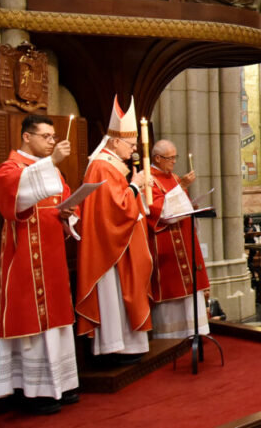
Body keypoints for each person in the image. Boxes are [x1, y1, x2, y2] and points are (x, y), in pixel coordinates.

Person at [0, 115, 79, 414]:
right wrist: (52, 162)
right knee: (33, 323)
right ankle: (34, 391)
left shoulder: (51, 170)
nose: (52, 141)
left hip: (53, 258)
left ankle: (62, 385)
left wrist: (70, 214)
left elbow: (66, 199)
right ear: (27, 137)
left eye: (54, 136)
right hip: (27, 262)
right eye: (46, 136)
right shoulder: (10, 169)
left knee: (57, 321)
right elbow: (12, 199)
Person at [76, 96, 153, 362]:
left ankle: (126, 345)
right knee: (114, 297)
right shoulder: (101, 166)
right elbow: (115, 209)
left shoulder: (111, 165)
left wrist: (134, 187)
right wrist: (135, 185)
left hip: (120, 243)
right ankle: (114, 347)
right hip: (109, 248)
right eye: (130, 145)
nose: (132, 150)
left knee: (124, 294)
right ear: (115, 141)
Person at [146, 139, 206, 339]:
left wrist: (191, 206)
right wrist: (181, 187)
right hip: (166, 245)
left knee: (191, 290)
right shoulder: (149, 180)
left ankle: (193, 332)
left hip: (184, 240)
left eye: (175, 157)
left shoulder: (173, 177)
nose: (173, 161)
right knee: (172, 292)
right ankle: (171, 337)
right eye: (169, 158)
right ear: (157, 158)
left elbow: (181, 205)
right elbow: (159, 211)